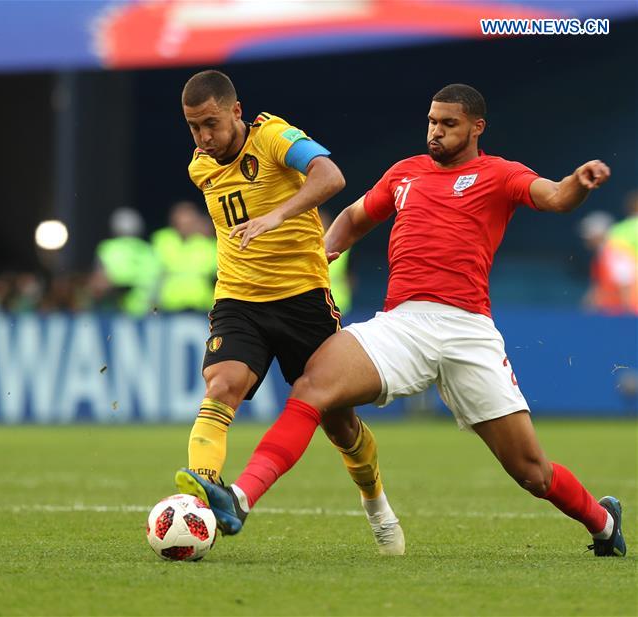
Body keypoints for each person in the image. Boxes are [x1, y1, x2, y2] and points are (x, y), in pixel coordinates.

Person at [177, 84, 626, 558]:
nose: (435, 131)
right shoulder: (404, 174)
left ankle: (602, 521)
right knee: (312, 387)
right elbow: (354, 216)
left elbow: (554, 197)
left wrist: (578, 181)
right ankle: (241, 499)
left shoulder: (500, 174)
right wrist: (322, 253)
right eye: (432, 121)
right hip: (402, 324)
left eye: (448, 124)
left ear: (477, 128)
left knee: (531, 471)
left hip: (467, 330)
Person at [174, 69, 404, 555]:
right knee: (221, 386)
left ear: (236, 111)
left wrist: (278, 215)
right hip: (239, 300)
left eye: (211, 124)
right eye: (193, 127)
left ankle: (377, 505)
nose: (203, 138)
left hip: (303, 301)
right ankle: (202, 496)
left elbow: (332, 175)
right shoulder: (201, 167)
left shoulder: (275, 136)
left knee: (339, 424)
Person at [151, 200, 218, 312]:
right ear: (174, 221)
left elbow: (218, 276)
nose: (186, 225)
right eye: (182, 221)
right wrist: (152, 305)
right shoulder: (162, 240)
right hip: (169, 308)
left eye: (190, 221)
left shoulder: (207, 245)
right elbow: (153, 276)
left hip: (202, 309)